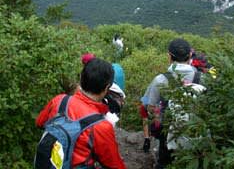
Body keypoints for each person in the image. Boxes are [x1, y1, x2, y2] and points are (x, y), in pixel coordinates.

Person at [36, 58, 126, 169]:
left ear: (81, 79)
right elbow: (115, 165)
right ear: (106, 88)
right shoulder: (101, 126)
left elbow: (39, 122)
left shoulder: (59, 101)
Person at [140, 38, 204, 168]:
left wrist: (158, 117)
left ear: (169, 56)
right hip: (197, 134)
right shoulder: (202, 78)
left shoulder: (161, 80)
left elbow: (149, 106)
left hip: (169, 135)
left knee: (164, 163)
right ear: (190, 55)